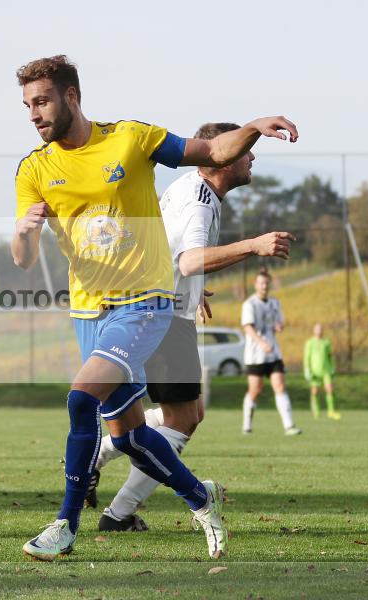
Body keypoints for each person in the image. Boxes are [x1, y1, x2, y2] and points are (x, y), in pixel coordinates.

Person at [12, 55, 298, 561]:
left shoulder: (130, 138)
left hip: (144, 302)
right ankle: (200, 498)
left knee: (81, 400)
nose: (34, 114)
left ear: (71, 96)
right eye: (28, 105)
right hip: (87, 312)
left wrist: (252, 127)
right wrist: (23, 233)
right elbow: (24, 260)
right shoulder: (34, 169)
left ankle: (65, 525)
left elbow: (212, 148)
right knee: (131, 436)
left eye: (42, 101)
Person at [89, 122, 297, 535]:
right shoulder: (200, 201)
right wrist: (252, 246)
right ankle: (118, 514)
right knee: (182, 420)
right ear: (222, 157)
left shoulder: (192, 188)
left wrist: (193, 290)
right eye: (247, 150)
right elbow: (187, 259)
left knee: (189, 414)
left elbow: (170, 252)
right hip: (161, 315)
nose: (251, 157)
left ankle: (99, 456)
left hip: (162, 307)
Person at [241, 268, 301, 435]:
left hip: (273, 354)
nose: (264, 286)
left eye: (267, 283)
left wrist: (279, 326)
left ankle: (289, 426)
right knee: (255, 390)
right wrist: (262, 343)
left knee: (280, 386)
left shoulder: (275, 303)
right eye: (261, 283)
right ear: (255, 285)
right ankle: (247, 425)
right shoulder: (249, 304)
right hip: (255, 355)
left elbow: (279, 322)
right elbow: (248, 328)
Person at [304, 323, 340, 420]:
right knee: (315, 391)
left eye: (321, 329)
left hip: (326, 370)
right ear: (314, 330)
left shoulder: (326, 342)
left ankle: (331, 412)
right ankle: (316, 411)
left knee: (329, 389)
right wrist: (307, 369)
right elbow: (307, 357)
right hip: (315, 371)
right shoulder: (310, 343)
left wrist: (332, 367)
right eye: (317, 329)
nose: (319, 330)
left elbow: (330, 356)